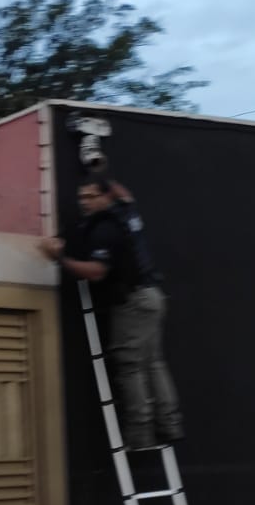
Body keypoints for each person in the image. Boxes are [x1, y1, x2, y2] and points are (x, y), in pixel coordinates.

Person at [39, 175, 184, 450]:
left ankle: (140, 434)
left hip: (132, 302)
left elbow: (97, 272)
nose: (84, 202)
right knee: (153, 363)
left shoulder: (105, 230)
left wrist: (59, 258)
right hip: (151, 296)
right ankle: (170, 424)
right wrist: (102, 172)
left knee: (130, 366)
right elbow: (125, 194)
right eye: (81, 197)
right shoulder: (126, 212)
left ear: (106, 197)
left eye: (91, 196)